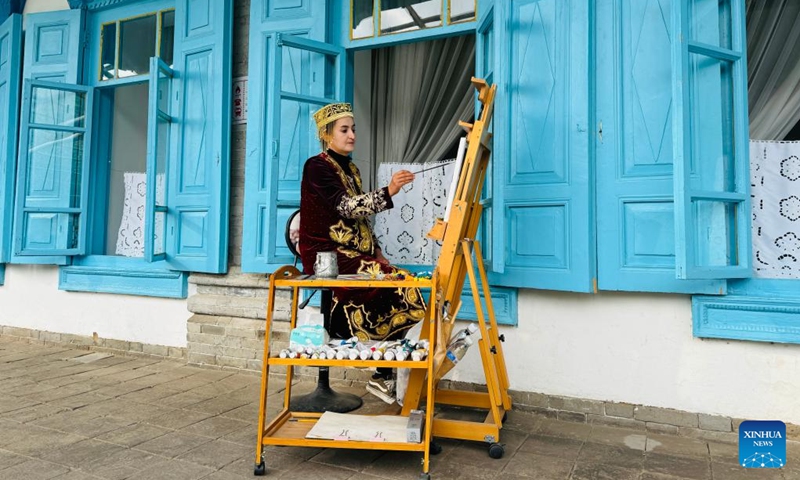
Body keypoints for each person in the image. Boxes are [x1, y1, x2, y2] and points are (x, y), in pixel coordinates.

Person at [298, 102, 425, 404]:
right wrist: (389, 190)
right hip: (325, 252)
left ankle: (382, 372)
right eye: (344, 130)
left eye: (353, 129)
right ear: (326, 135)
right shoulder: (316, 166)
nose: (352, 135)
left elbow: (361, 220)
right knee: (393, 284)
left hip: (352, 250)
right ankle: (376, 366)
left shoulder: (351, 168)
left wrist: (377, 252)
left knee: (402, 281)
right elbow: (346, 207)